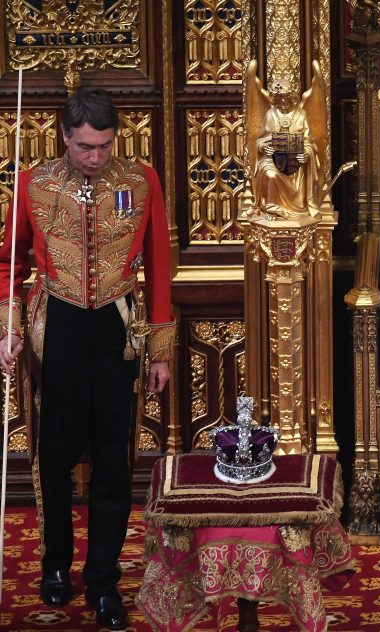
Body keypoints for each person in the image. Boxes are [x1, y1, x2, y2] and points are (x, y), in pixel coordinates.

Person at [0, 88, 174, 629]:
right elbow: (10, 263)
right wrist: (7, 327)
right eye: (83, 148)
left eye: (103, 146)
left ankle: (103, 582)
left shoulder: (141, 180)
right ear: (65, 138)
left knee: (113, 462)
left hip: (117, 328)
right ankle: (55, 564)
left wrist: (161, 350)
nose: (95, 157)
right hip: (57, 327)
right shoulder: (34, 183)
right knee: (54, 458)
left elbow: (159, 263)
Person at [251, 82, 322, 217]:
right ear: (276, 100)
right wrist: (264, 147)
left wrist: (306, 153)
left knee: (299, 169)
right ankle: (272, 207)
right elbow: (260, 140)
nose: (283, 105)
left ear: (292, 100)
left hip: (295, 160)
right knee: (270, 174)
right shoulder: (270, 115)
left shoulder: (301, 115)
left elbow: (308, 141)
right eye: (280, 101)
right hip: (272, 159)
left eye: (286, 101)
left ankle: (299, 206)